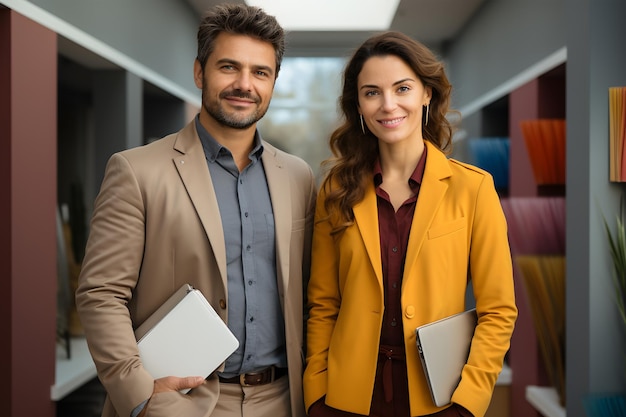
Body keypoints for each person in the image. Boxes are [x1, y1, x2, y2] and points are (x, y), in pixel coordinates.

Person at [75, 4, 316, 417]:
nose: (245, 84)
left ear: (274, 82)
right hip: (180, 402)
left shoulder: (298, 176)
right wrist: (141, 394)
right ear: (199, 72)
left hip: (283, 399)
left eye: (261, 72)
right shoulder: (136, 170)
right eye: (229, 67)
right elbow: (101, 294)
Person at [302, 31, 517, 417]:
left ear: (426, 93)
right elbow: (323, 305)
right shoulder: (337, 190)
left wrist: (468, 403)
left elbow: (498, 311)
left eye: (402, 88)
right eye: (372, 92)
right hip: (346, 399)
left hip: (440, 398)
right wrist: (316, 394)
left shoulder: (474, 188)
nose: (388, 105)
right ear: (359, 105)